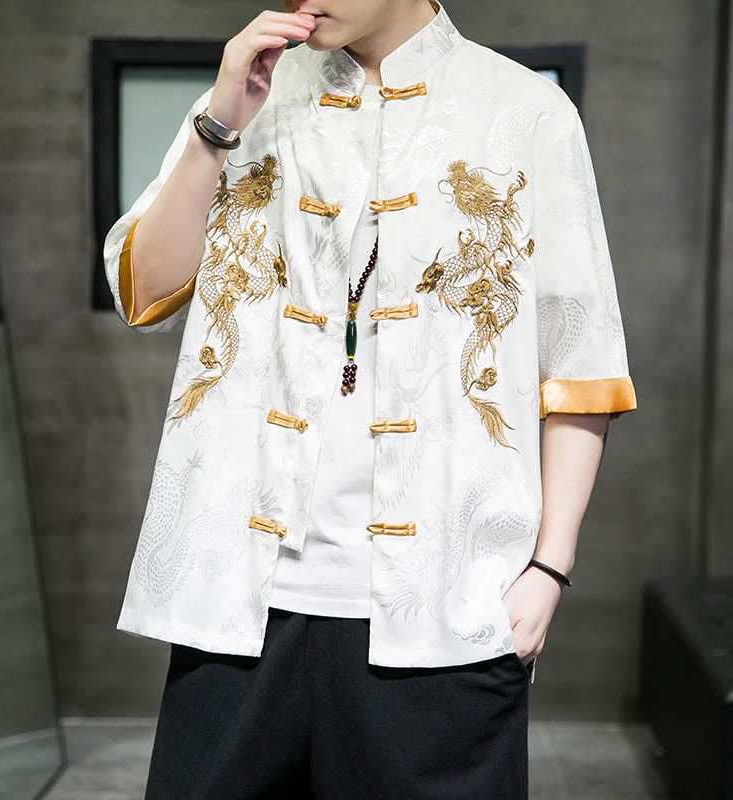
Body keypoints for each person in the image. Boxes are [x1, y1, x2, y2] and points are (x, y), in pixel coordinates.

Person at [102, 0, 637, 797]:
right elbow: (143, 291)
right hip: (242, 605)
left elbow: (581, 362)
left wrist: (548, 569)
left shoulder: (527, 112)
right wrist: (219, 124)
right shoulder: (251, 99)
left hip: (442, 615)